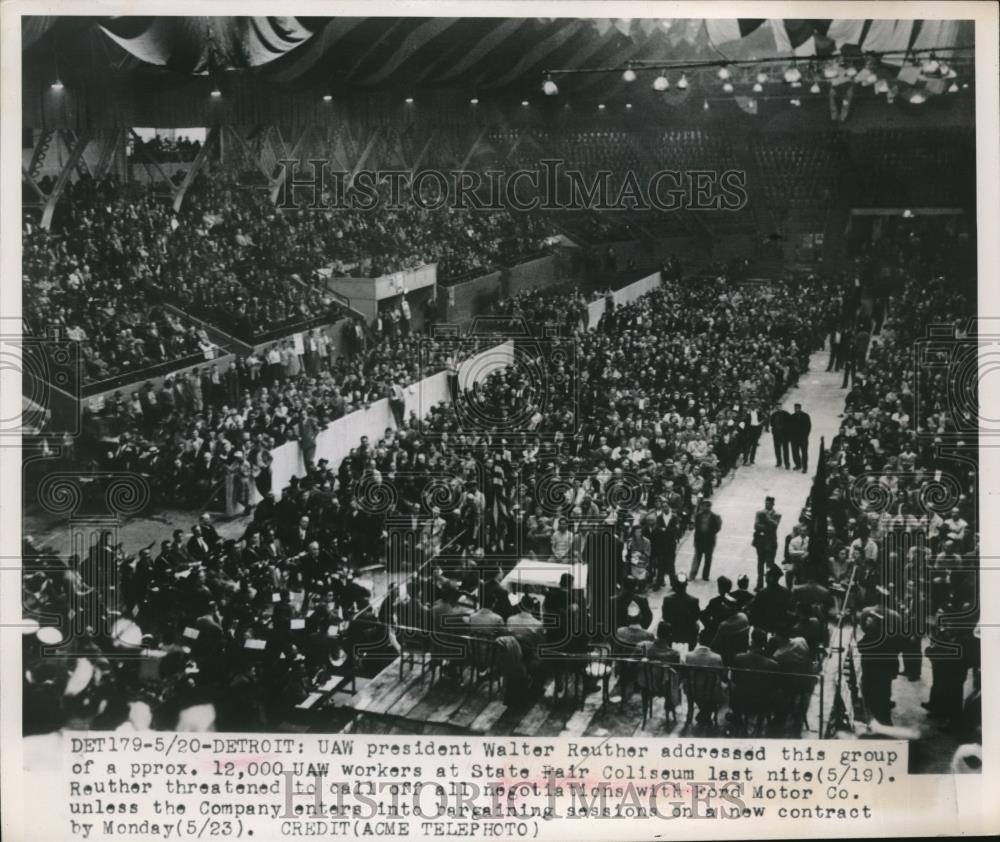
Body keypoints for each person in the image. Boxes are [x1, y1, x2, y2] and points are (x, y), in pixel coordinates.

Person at [660, 573, 700, 650]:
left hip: (672, 634)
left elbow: (665, 617)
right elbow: (696, 617)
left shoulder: (667, 599)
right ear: (686, 586)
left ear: (675, 585)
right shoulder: (694, 600)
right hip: (688, 634)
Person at [649, 499, 680, 590]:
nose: (664, 508)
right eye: (663, 507)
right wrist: (665, 531)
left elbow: (677, 530)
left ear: (669, 507)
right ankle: (659, 583)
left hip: (671, 545)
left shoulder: (674, 517)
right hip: (661, 545)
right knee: (661, 564)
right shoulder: (659, 518)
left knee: (671, 565)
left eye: (666, 506)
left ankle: (673, 584)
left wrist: (666, 531)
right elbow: (657, 529)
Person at [752, 496, 781, 590]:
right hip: (761, 542)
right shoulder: (759, 513)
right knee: (760, 563)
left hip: (771, 543)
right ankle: (759, 584)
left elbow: (775, 526)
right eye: (766, 503)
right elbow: (756, 526)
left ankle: (769, 584)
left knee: (770, 564)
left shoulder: (777, 514)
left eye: (769, 503)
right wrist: (767, 527)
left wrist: (766, 518)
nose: (767, 504)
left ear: (773, 504)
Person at [689, 499, 722, 581]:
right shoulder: (698, 516)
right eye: (704, 505)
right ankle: (692, 575)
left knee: (708, 559)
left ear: (710, 507)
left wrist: (709, 533)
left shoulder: (715, 517)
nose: (705, 507)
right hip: (699, 540)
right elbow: (695, 527)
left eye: (707, 506)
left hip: (709, 540)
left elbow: (718, 528)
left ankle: (705, 576)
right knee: (697, 558)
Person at [787, 403, 812, 474]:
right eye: (795, 408)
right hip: (794, 439)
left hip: (803, 438)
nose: (796, 410)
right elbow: (789, 428)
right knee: (795, 452)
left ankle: (805, 467)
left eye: (797, 408)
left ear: (800, 408)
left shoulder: (805, 416)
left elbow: (808, 427)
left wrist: (805, 435)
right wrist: (791, 437)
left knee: (804, 453)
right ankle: (798, 465)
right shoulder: (792, 417)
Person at [769, 403, 791, 469]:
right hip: (776, 435)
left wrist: (788, 434)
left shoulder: (786, 414)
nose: (779, 408)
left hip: (785, 435)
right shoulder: (774, 415)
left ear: (782, 407)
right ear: (776, 408)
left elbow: (790, 423)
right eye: (777, 407)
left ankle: (787, 464)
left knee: (785, 450)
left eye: (780, 407)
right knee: (777, 449)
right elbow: (771, 423)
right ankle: (779, 462)